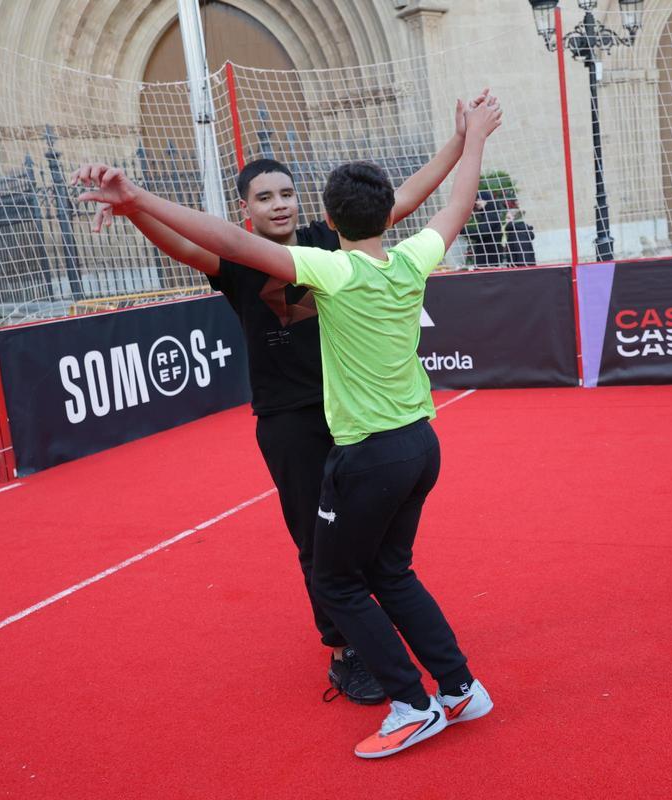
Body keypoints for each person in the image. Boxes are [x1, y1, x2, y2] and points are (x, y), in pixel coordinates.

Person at [73, 92, 503, 759]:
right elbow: (448, 205)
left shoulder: (326, 258)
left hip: (364, 438)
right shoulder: (392, 258)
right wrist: (473, 137)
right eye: (264, 196)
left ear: (321, 212)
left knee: (345, 573)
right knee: (366, 562)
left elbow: (405, 196)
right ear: (247, 206)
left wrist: (137, 197)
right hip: (368, 430)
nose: (278, 204)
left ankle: (413, 701)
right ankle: (430, 676)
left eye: (287, 193)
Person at [463, 190, 505, 267]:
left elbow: (480, 234)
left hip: (488, 259)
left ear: (486, 200)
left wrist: (461, 229)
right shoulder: (488, 215)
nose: (476, 202)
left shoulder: (491, 215)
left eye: (479, 200)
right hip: (488, 258)